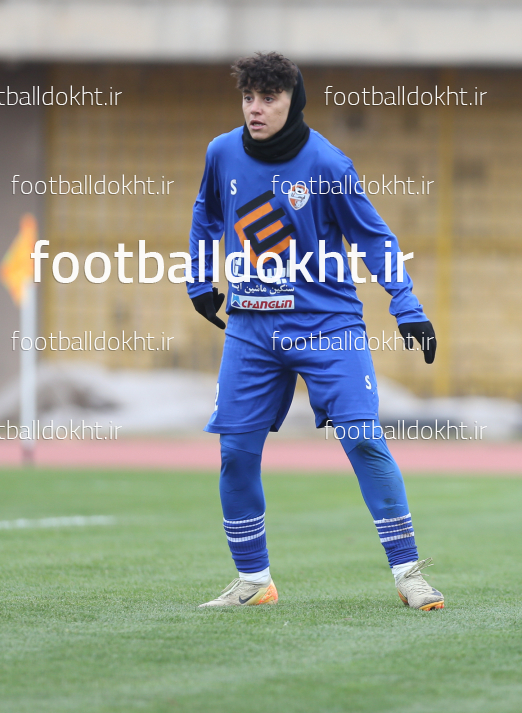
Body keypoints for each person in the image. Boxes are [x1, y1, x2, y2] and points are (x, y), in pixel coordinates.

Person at [187, 52, 444, 611]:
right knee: (234, 453)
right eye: (248, 97)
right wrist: (199, 279)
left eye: (269, 98)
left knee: (363, 438)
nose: (255, 109)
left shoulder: (328, 163)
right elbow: (206, 214)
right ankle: (254, 581)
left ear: (293, 101)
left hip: (327, 325)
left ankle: (409, 574)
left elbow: (374, 238)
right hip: (252, 328)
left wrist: (406, 306)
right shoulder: (222, 152)